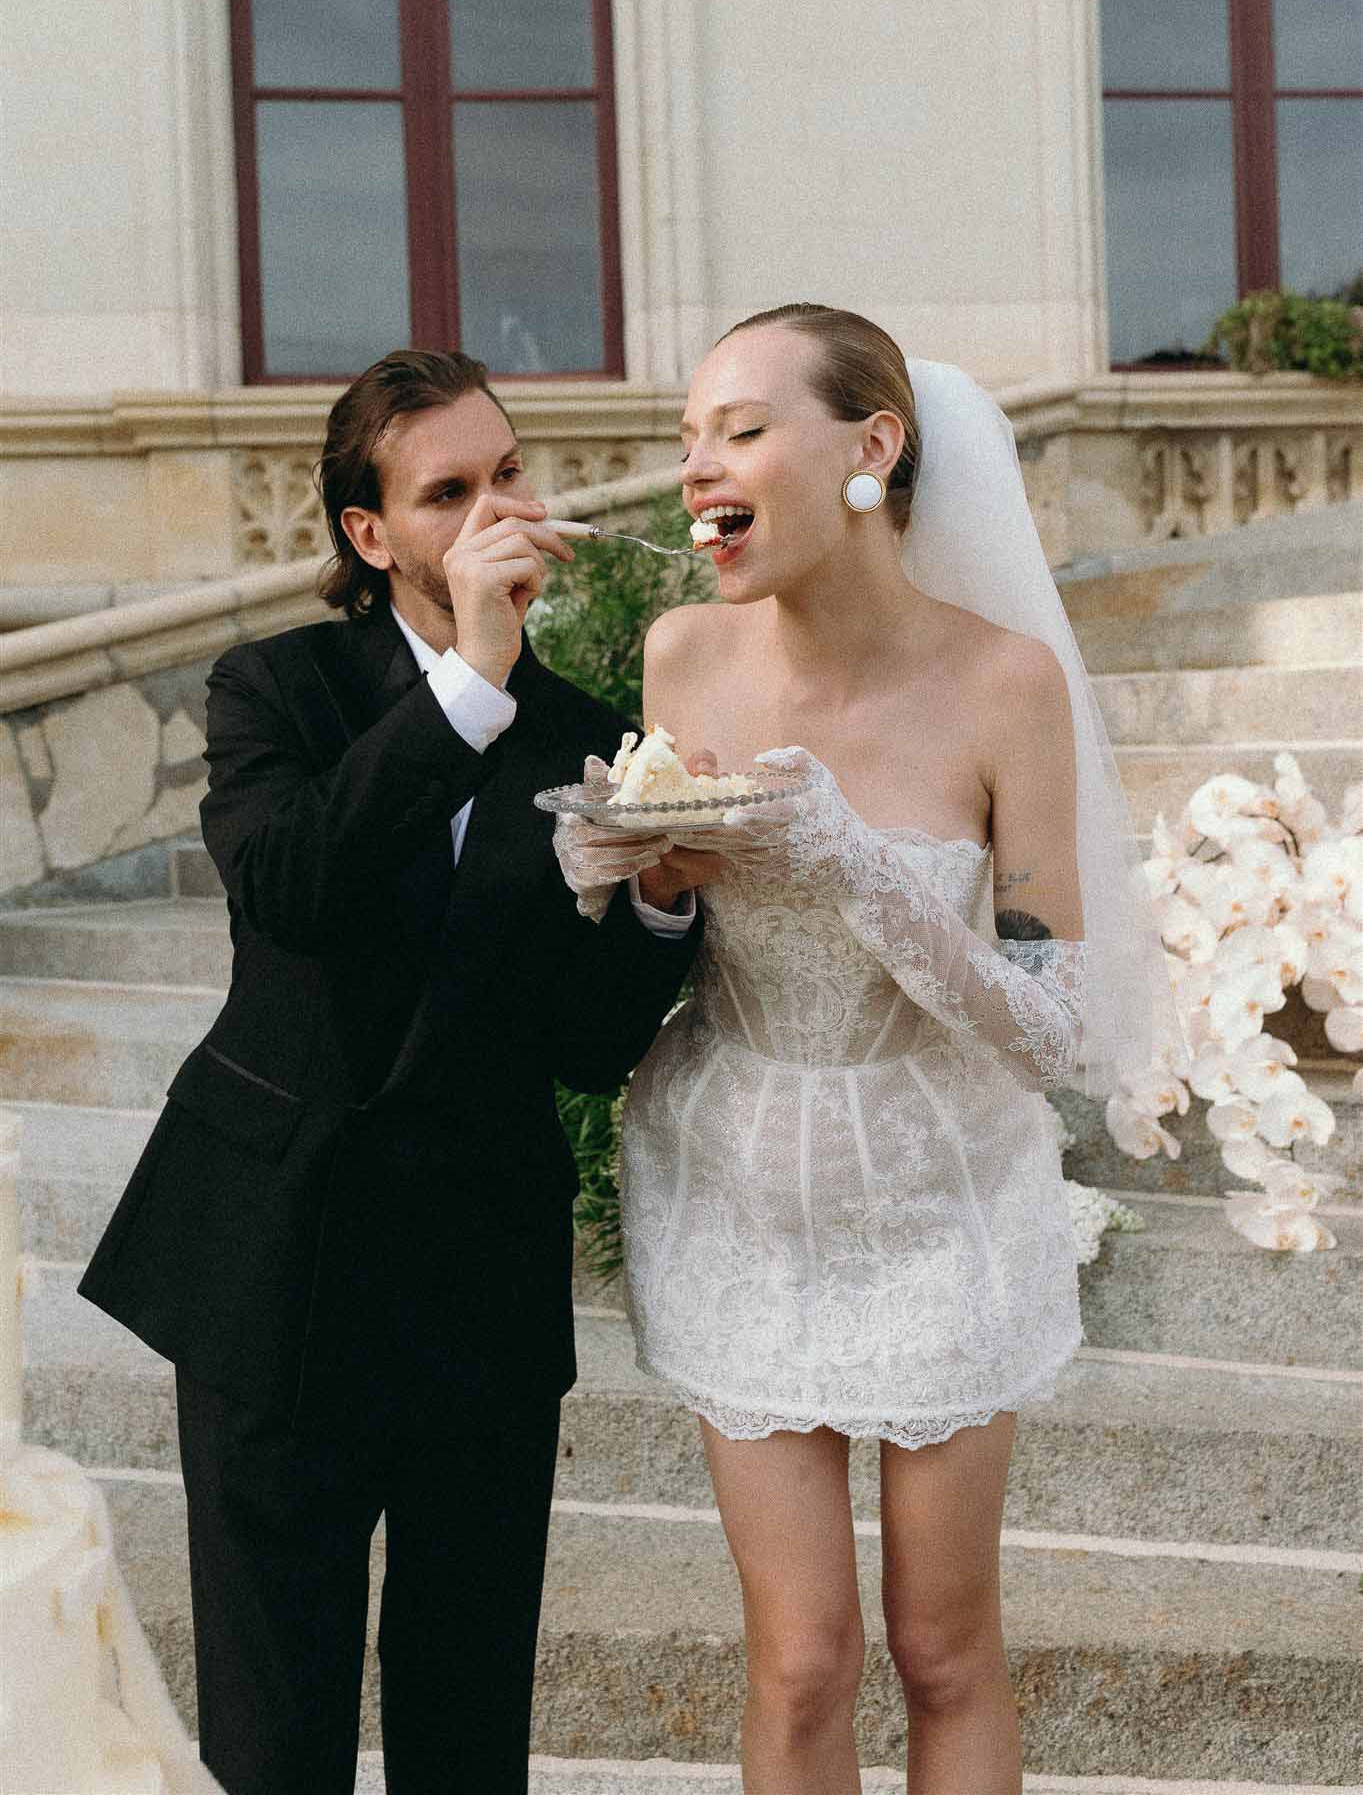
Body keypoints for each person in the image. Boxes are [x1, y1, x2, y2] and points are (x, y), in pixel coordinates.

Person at [80, 349, 716, 1795]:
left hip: (476, 1280)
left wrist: (667, 897)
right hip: (271, 1269)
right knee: (276, 1731)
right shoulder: (277, 689)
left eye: (508, 473)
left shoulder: (588, 735)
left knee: (467, 1721)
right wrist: (472, 684)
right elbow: (297, 888)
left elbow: (584, 1041)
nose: (500, 510)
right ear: (371, 538)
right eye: (449, 491)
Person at [554, 306, 1170, 1794]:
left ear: (872, 447)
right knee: (801, 1658)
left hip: (945, 1193)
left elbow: (1053, 1027)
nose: (698, 468)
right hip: (733, 1186)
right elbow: (670, 931)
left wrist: (860, 865)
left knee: (943, 1647)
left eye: (741, 429)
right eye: (690, 437)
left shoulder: (1005, 685)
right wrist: (638, 884)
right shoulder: (682, 653)